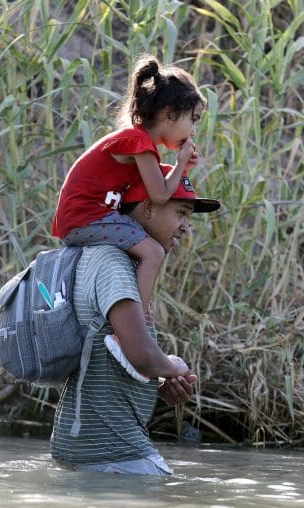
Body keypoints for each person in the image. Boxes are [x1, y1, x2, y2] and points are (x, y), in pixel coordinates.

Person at [50, 167, 221, 476]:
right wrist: (175, 367)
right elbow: (139, 353)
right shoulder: (113, 264)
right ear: (147, 207)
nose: (185, 227)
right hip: (111, 449)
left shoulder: (121, 263)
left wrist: (159, 382)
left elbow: (109, 354)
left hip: (88, 446)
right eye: (181, 213)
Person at [51, 54, 206, 325]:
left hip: (86, 216)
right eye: (193, 119)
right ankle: (136, 324)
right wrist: (180, 164)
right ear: (170, 114)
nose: (193, 131)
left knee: (142, 244)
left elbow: (149, 195)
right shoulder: (138, 142)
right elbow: (159, 196)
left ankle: (133, 311)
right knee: (153, 252)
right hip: (86, 216)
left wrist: (184, 169)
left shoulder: (139, 143)